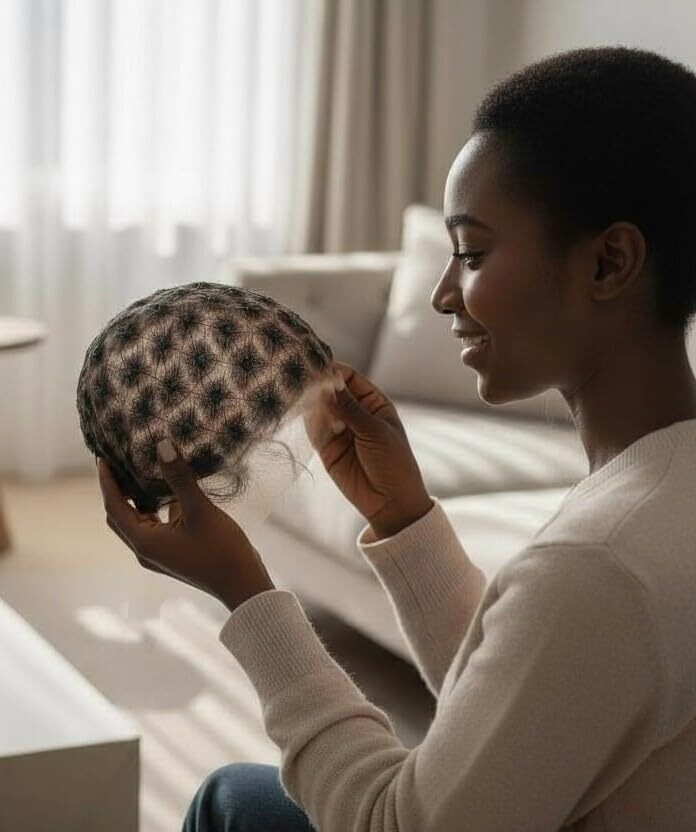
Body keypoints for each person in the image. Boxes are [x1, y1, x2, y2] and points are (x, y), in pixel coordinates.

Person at [98, 45, 696, 831]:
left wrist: (247, 594)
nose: (445, 294)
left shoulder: (600, 563)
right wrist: (403, 516)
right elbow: (528, 706)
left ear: (610, 262)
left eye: (472, 253)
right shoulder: (657, 494)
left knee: (229, 801)